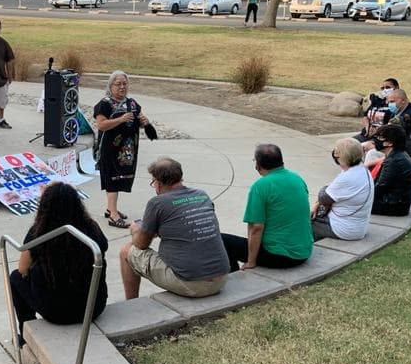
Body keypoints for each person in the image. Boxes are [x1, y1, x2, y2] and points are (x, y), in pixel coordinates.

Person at [119, 157, 229, 300]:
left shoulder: (157, 203)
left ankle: (131, 303)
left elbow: (141, 244)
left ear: (158, 183)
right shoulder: (202, 195)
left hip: (192, 284)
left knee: (126, 252)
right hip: (221, 279)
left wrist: (135, 230)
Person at [8, 182, 108, 339]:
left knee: (15, 277)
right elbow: (103, 248)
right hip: (94, 307)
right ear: (77, 204)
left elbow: (22, 269)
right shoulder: (91, 228)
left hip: (56, 313)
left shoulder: (39, 232)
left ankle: (26, 333)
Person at [222, 144, 314, 270]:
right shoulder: (297, 178)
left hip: (279, 255)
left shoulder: (261, 186)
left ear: (258, 165)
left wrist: (251, 261)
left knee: (221, 240)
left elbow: (256, 227)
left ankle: (234, 274)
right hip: (304, 251)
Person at [94, 71, 150, 228]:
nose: (122, 87)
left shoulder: (132, 103)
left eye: (124, 84)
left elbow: (137, 119)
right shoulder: (104, 104)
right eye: (118, 84)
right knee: (112, 179)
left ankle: (110, 208)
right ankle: (113, 215)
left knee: (120, 178)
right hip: (109, 150)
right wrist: (120, 119)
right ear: (110, 86)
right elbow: (101, 125)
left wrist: (143, 121)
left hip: (127, 151)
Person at [309, 138, 374, 241]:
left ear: (339, 156)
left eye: (336, 151)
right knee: (315, 215)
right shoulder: (361, 169)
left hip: (344, 229)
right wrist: (317, 204)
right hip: (356, 226)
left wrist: (325, 188)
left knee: (300, 221)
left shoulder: (347, 177)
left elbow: (323, 197)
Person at [371, 124, 411, 216]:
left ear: (390, 143)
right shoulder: (399, 155)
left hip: (393, 205)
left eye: (380, 138)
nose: (376, 140)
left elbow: (380, 187)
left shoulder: (394, 161)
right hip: (399, 202)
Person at [354, 77, 398, 145]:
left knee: (362, 147)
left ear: (396, 88)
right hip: (367, 134)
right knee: (346, 144)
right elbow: (365, 116)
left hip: (382, 137)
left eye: (388, 87)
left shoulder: (395, 105)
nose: (385, 90)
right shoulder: (377, 101)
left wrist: (378, 130)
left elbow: (394, 123)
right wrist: (367, 128)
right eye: (382, 88)